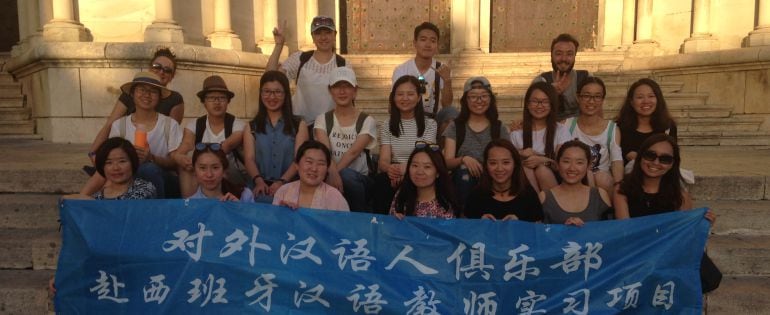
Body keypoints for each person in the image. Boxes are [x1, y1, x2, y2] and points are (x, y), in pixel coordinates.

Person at [79, 72, 183, 198]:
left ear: (160, 97)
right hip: (128, 178)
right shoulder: (120, 125)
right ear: (132, 94)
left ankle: (156, 212)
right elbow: (112, 160)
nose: (147, 95)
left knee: (148, 169)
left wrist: (152, 158)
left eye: (153, 91)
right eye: (141, 90)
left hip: (163, 181)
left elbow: (176, 162)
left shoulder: (169, 124)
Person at [87, 48, 184, 168]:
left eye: (167, 70)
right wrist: (93, 152)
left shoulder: (174, 101)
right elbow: (110, 124)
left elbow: (171, 144)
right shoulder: (122, 121)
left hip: (158, 162)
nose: (161, 72)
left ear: (172, 76)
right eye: (156, 66)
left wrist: (152, 157)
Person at [266, 16, 350, 128]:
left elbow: (348, 98)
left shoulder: (343, 65)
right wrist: (279, 45)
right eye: (318, 33)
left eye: (328, 32)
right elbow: (270, 78)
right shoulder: (300, 58)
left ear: (335, 35)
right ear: (312, 36)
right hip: (300, 126)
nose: (323, 37)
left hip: (330, 128)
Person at [314, 67, 377, 212]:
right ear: (330, 90)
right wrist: (332, 174)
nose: (342, 92)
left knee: (346, 176)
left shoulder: (367, 120)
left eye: (347, 86)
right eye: (337, 86)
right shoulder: (322, 119)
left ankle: (359, 217)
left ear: (355, 91)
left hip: (359, 180)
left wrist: (333, 174)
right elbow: (325, 150)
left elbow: (353, 152)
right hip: (329, 174)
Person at [373, 75, 439, 213]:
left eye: (410, 94)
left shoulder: (430, 124)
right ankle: (383, 225)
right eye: (400, 94)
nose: (405, 98)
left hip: (419, 170)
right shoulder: (387, 125)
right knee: (381, 181)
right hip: (396, 172)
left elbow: (426, 156)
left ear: (419, 97)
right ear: (393, 97)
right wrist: (390, 169)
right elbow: (384, 160)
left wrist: (407, 170)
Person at [243, 71, 310, 203]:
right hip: (259, 186)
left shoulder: (299, 125)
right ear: (261, 94)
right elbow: (249, 159)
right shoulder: (251, 127)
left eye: (278, 92)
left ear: (286, 94)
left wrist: (281, 182)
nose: (272, 97)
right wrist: (259, 181)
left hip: (289, 186)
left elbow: (299, 159)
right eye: (267, 91)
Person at [614, 134, 714, 221]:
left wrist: (705, 222)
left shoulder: (681, 197)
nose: (656, 162)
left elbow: (683, 232)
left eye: (665, 159)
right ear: (640, 157)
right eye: (650, 155)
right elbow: (625, 230)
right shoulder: (622, 189)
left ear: (672, 164)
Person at [443, 76, 508, 208]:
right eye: (473, 96)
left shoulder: (499, 127)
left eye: (484, 96)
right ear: (465, 100)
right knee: (464, 172)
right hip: (463, 181)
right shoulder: (455, 126)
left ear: (490, 99)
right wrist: (463, 159)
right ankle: (464, 217)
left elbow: (508, 157)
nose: (479, 101)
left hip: (493, 176)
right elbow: (447, 162)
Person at [176, 75, 246, 197]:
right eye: (211, 98)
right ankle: (189, 204)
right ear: (204, 102)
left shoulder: (238, 124)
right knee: (187, 160)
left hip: (231, 173)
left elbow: (228, 145)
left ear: (228, 101)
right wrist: (180, 158)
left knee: (215, 164)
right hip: (206, 175)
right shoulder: (195, 124)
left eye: (221, 98)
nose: (217, 102)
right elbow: (186, 145)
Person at [392, 22, 458, 137]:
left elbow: (447, 104)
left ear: (437, 45)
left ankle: (444, 152)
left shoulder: (441, 69)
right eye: (423, 39)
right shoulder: (402, 70)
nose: (428, 44)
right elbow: (393, 104)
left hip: (433, 119)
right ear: (415, 43)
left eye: (433, 41)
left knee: (452, 114)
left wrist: (447, 80)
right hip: (408, 117)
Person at [566, 76, 623, 196]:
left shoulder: (612, 129)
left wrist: (619, 187)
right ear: (578, 97)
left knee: (601, 178)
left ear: (602, 100)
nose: (591, 101)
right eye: (586, 96)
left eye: (597, 96)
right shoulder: (566, 125)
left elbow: (616, 160)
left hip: (602, 182)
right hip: (573, 176)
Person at [511, 82, 571, 192]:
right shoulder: (517, 133)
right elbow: (509, 162)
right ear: (527, 104)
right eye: (535, 101)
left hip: (555, 179)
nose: (539, 106)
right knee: (526, 169)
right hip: (525, 182)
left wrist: (543, 160)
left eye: (545, 101)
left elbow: (564, 164)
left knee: (541, 170)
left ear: (552, 105)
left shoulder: (561, 130)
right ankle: (536, 204)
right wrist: (520, 153)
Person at [464, 139, 543, 222]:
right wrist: (479, 224)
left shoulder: (528, 194)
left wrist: (520, 225)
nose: (499, 169)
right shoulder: (476, 195)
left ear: (515, 164)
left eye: (506, 162)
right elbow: (465, 229)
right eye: (493, 163)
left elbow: (538, 229)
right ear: (486, 165)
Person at [540, 140, 611, 226]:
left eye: (579, 163)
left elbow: (610, 232)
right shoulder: (544, 197)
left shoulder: (600, 195)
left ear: (588, 166)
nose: (572, 168)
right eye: (566, 161)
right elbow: (538, 234)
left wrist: (584, 229)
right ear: (558, 164)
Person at [64, 137, 156, 200]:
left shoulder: (145, 189)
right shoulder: (98, 196)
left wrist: (91, 203)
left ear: (133, 162)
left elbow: (127, 209)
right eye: (109, 163)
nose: (115, 168)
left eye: (122, 161)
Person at [616, 78, 678, 166]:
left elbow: (672, 158)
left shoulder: (668, 127)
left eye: (651, 96)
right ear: (631, 102)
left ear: (658, 99)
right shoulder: (618, 128)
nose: (646, 101)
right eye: (640, 97)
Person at [273, 140, 349, 211]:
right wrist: (283, 213)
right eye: (309, 162)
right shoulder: (283, 191)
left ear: (327, 169)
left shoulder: (335, 197)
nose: (314, 169)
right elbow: (275, 222)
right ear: (296, 165)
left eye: (320, 164)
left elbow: (343, 223)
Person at [390, 142, 458, 219]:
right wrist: (396, 222)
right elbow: (389, 228)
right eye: (415, 165)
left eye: (427, 167)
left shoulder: (445, 202)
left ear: (438, 172)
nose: (419, 172)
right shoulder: (402, 194)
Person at [532, 34, 590, 120]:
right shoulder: (541, 82)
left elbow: (597, 115)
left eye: (569, 54)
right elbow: (532, 117)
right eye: (558, 54)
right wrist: (550, 93)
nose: (564, 59)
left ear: (575, 56)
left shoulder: (586, 79)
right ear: (551, 56)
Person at [188, 143, 253, 202]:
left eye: (215, 167)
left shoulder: (244, 195)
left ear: (224, 170)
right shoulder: (190, 205)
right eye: (202, 168)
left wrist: (239, 209)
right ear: (194, 171)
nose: (209, 174)